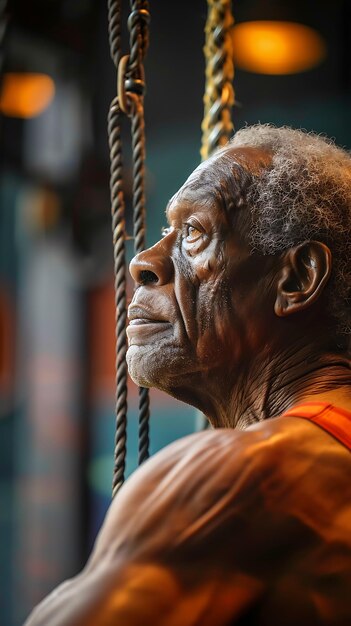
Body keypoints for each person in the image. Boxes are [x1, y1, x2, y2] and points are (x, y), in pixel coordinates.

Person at [25, 124, 351, 626]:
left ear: (297, 278)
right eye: (163, 235)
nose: (143, 264)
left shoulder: (248, 478)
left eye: (194, 232)